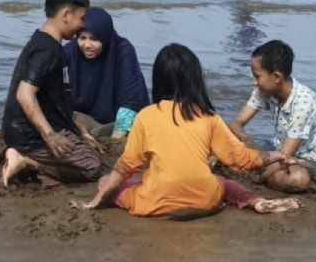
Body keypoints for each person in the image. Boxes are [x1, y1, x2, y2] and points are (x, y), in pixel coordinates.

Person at [71, 44, 302, 216]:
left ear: (159, 79)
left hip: (156, 202)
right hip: (205, 200)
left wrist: (97, 199)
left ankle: (157, 200)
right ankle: (255, 202)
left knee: (106, 182)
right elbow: (239, 159)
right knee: (224, 183)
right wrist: (274, 155)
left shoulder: (146, 116)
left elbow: (126, 166)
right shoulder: (208, 116)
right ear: (194, 80)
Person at [1, 0, 106, 188]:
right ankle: (28, 161)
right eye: (81, 18)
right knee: (92, 167)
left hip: (27, 130)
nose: (82, 25)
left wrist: (82, 133)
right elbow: (24, 94)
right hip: (30, 136)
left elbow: (58, 102)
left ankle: (23, 157)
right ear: (66, 15)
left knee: (91, 152)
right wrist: (50, 136)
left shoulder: (45, 43)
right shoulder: (47, 50)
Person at [229, 40, 316, 193]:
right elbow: (237, 123)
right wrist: (246, 141)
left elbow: (286, 155)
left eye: (257, 76)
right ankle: (263, 172)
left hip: (304, 160)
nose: (254, 82)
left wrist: (259, 176)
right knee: (229, 141)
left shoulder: (304, 103)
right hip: (277, 149)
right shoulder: (265, 91)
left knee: (297, 179)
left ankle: (260, 173)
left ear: (276, 77)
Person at [64, 7, 149, 139]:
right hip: (85, 118)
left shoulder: (122, 51)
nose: (87, 45)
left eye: (94, 39)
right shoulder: (70, 52)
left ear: (105, 37)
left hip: (119, 121)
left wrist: (113, 142)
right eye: (82, 38)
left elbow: (130, 101)